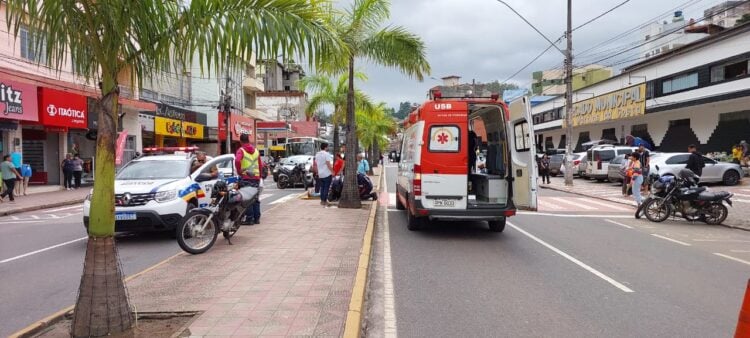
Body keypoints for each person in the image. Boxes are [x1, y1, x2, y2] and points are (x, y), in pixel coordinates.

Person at [235, 134, 263, 225]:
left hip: (246, 177)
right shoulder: (256, 151)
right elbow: (260, 165)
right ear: (249, 140)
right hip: (256, 177)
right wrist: (260, 176)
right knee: (255, 197)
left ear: (241, 141)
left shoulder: (241, 150)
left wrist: (239, 171)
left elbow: (237, 161)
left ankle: (249, 219)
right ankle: (257, 218)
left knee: (247, 198)